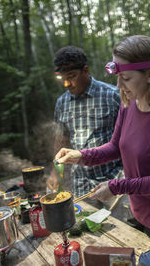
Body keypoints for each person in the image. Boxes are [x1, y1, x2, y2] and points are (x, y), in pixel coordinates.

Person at [54, 36, 150, 255]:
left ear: (149, 76)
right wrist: (80, 155)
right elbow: (116, 146)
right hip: (141, 206)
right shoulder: (130, 102)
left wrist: (117, 187)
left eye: (125, 77)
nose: (119, 85)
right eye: (117, 77)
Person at [47, 46, 123, 197]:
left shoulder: (113, 95)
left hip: (113, 183)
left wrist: (124, 178)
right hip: (81, 186)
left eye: (71, 76)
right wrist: (55, 172)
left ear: (85, 70)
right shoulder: (61, 103)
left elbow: (130, 140)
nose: (67, 84)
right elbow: (61, 139)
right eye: (63, 79)